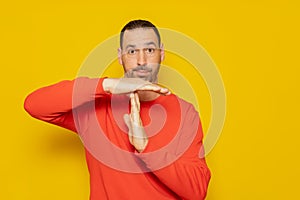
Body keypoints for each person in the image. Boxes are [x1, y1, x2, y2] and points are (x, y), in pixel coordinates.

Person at [24, 19, 211, 200]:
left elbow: (197, 191)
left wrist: (146, 147)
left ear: (161, 53)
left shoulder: (185, 113)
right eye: (132, 51)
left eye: (149, 50)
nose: (141, 60)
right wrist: (107, 85)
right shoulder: (95, 108)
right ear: (120, 56)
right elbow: (34, 105)